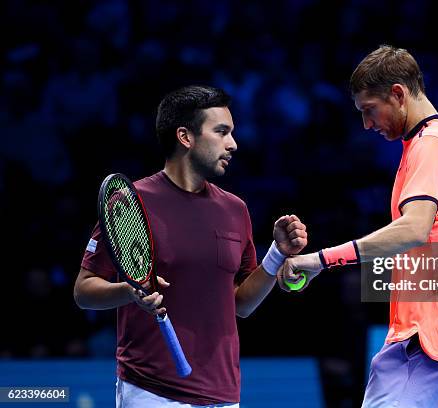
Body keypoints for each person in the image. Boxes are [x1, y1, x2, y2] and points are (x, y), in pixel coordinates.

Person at [277, 45, 438, 407]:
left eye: (369, 110)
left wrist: (318, 260)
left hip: (422, 347)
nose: (367, 125)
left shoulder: (429, 145)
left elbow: (413, 229)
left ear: (398, 94)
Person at [74, 85, 308, 407]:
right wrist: (130, 292)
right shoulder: (129, 202)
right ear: (185, 137)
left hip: (224, 395)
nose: (233, 144)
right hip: (152, 391)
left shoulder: (235, 209)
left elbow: (241, 304)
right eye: (221, 132)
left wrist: (277, 252)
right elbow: (84, 291)